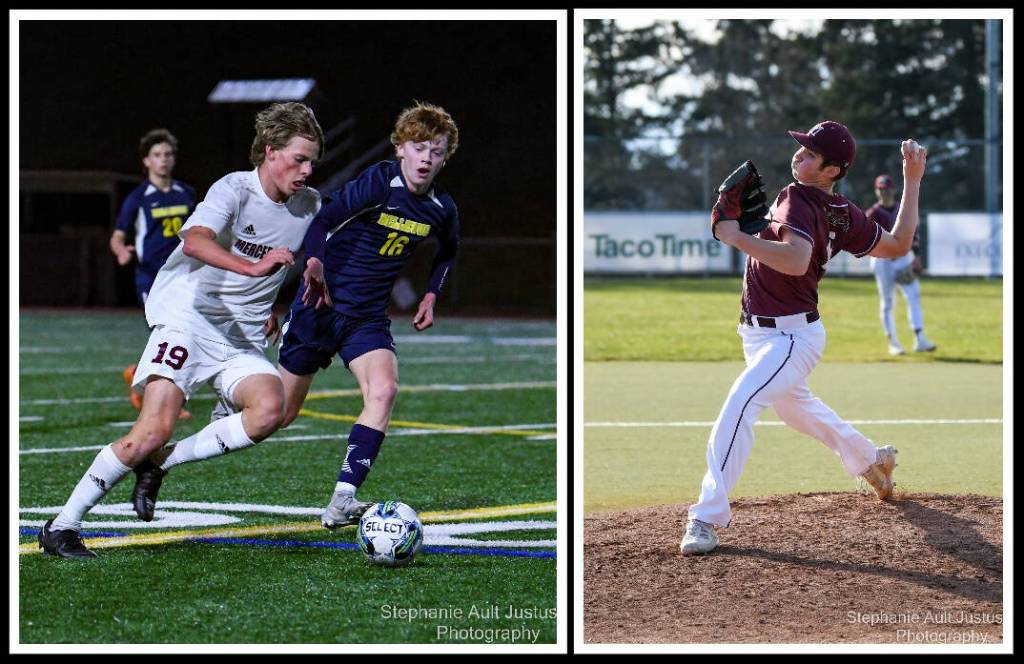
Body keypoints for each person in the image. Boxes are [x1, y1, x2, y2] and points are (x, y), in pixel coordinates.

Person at [131, 101, 461, 530]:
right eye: (419, 148)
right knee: (280, 415)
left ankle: (344, 497)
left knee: (384, 390)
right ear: (400, 148)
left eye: (437, 151)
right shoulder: (379, 183)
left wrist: (432, 294)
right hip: (319, 307)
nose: (427, 159)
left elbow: (448, 250)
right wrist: (315, 263)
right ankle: (164, 457)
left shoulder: (441, 207)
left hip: (366, 318)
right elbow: (323, 219)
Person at [39, 102, 331, 558]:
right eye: (299, 158)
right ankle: (62, 526)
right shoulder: (233, 189)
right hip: (188, 320)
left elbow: (301, 252)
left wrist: (292, 283)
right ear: (270, 152)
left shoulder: (309, 203)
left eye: (313, 160)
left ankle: (161, 463)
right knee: (151, 429)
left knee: (271, 410)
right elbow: (194, 240)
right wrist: (253, 269)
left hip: (240, 337)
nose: (307, 169)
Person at [680, 121, 927, 555]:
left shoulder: (797, 198)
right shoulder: (843, 212)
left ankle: (706, 516)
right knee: (797, 411)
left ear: (832, 170)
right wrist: (913, 180)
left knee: (740, 404)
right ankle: (873, 460)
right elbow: (899, 243)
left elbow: (795, 262)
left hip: (788, 338)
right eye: (803, 148)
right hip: (777, 334)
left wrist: (735, 236)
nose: (800, 155)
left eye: (811, 153)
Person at [111, 129, 197, 417]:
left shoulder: (186, 193)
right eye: (157, 155)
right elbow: (117, 235)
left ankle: (140, 377)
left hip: (185, 277)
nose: (164, 160)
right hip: (152, 278)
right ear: (146, 161)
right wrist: (121, 251)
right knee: (168, 334)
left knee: (187, 335)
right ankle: (161, 398)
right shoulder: (139, 198)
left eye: (168, 154)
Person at [865, 173, 936, 355]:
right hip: (883, 262)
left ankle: (919, 338)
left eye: (887, 189)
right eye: (881, 190)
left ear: (893, 190)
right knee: (888, 302)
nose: (885, 193)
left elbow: (915, 232)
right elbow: (867, 241)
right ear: (876, 191)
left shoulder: (902, 208)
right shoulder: (872, 213)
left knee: (914, 296)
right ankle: (893, 342)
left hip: (903, 259)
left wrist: (917, 257)